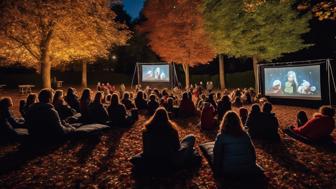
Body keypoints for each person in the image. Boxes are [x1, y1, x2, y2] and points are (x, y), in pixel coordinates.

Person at [131, 108, 198, 174]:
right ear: (166, 117)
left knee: (136, 157)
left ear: (154, 116)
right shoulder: (172, 130)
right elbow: (177, 147)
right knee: (191, 137)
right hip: (170, 159)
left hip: (152, 158)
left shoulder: (146, 130)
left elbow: (145, 149)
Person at [213, 111, 261, 177]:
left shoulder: (222, 136)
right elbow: (252, 151)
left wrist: (216, 170)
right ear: (238, 122)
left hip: (230, 170)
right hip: (248, 169)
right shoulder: (245, 135)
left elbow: (216, 153)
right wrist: (252, 164)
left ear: (225, 122)